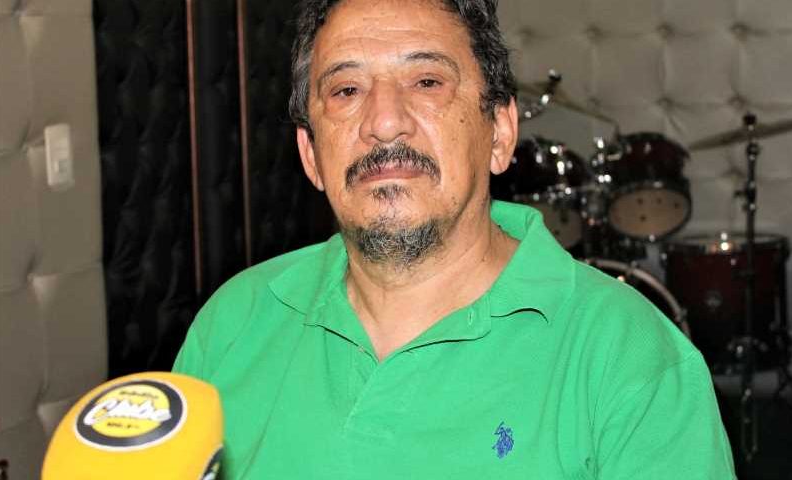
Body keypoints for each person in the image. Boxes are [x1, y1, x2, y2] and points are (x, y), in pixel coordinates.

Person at [173, 0, 736, 478]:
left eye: (427, 82)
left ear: (501, 134)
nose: (384, 121)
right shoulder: (234, 323)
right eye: (346, 89)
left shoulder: (632, 361)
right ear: (311, 155)